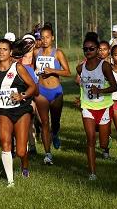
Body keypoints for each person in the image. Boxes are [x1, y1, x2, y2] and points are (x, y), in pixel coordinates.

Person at [0, 39, 38, 187]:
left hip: (21, 110)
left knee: (20, 150)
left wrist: (22, 95)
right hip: (3, 110)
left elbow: (33, 87)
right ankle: (10, 181)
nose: (1, 52)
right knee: (5, 143)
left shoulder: (18, 67)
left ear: (10, 52)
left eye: (4, 49)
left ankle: (24, 165)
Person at [76, 32, 117, 181]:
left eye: (91, 49)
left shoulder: (104, 66)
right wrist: (79, 98)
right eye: (85, 49)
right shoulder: (80, 68)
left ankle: (107, 143)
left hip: (104, 106)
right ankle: (92, 173)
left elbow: (114, 87)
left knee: (103, 143)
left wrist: (100, 90)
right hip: (87, 107)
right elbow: (81, 86)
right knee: (91, 139)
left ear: (97, 49)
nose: (88, 52)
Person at [34, 23, 71, 165]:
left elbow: (68, 72)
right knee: (44, 123)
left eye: (47, 37)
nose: (44, 40)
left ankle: (55, 134)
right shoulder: (36, 53)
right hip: (41, 91)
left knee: (55, 122)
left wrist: (53, 71)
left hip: (55, 92)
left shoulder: (58, 53)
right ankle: (48, 154)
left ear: (53, 38)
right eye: (42, 37)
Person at [12, 34, 40, 155]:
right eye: (14, 56)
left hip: (25, 102)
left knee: (30, 123)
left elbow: (35, 89)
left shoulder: (26, 69)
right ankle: (13, 147)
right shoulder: (3, 69)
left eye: (18, 56)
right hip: (10, 103)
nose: (15, 58)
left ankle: (31, 146)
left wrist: (24, 96)